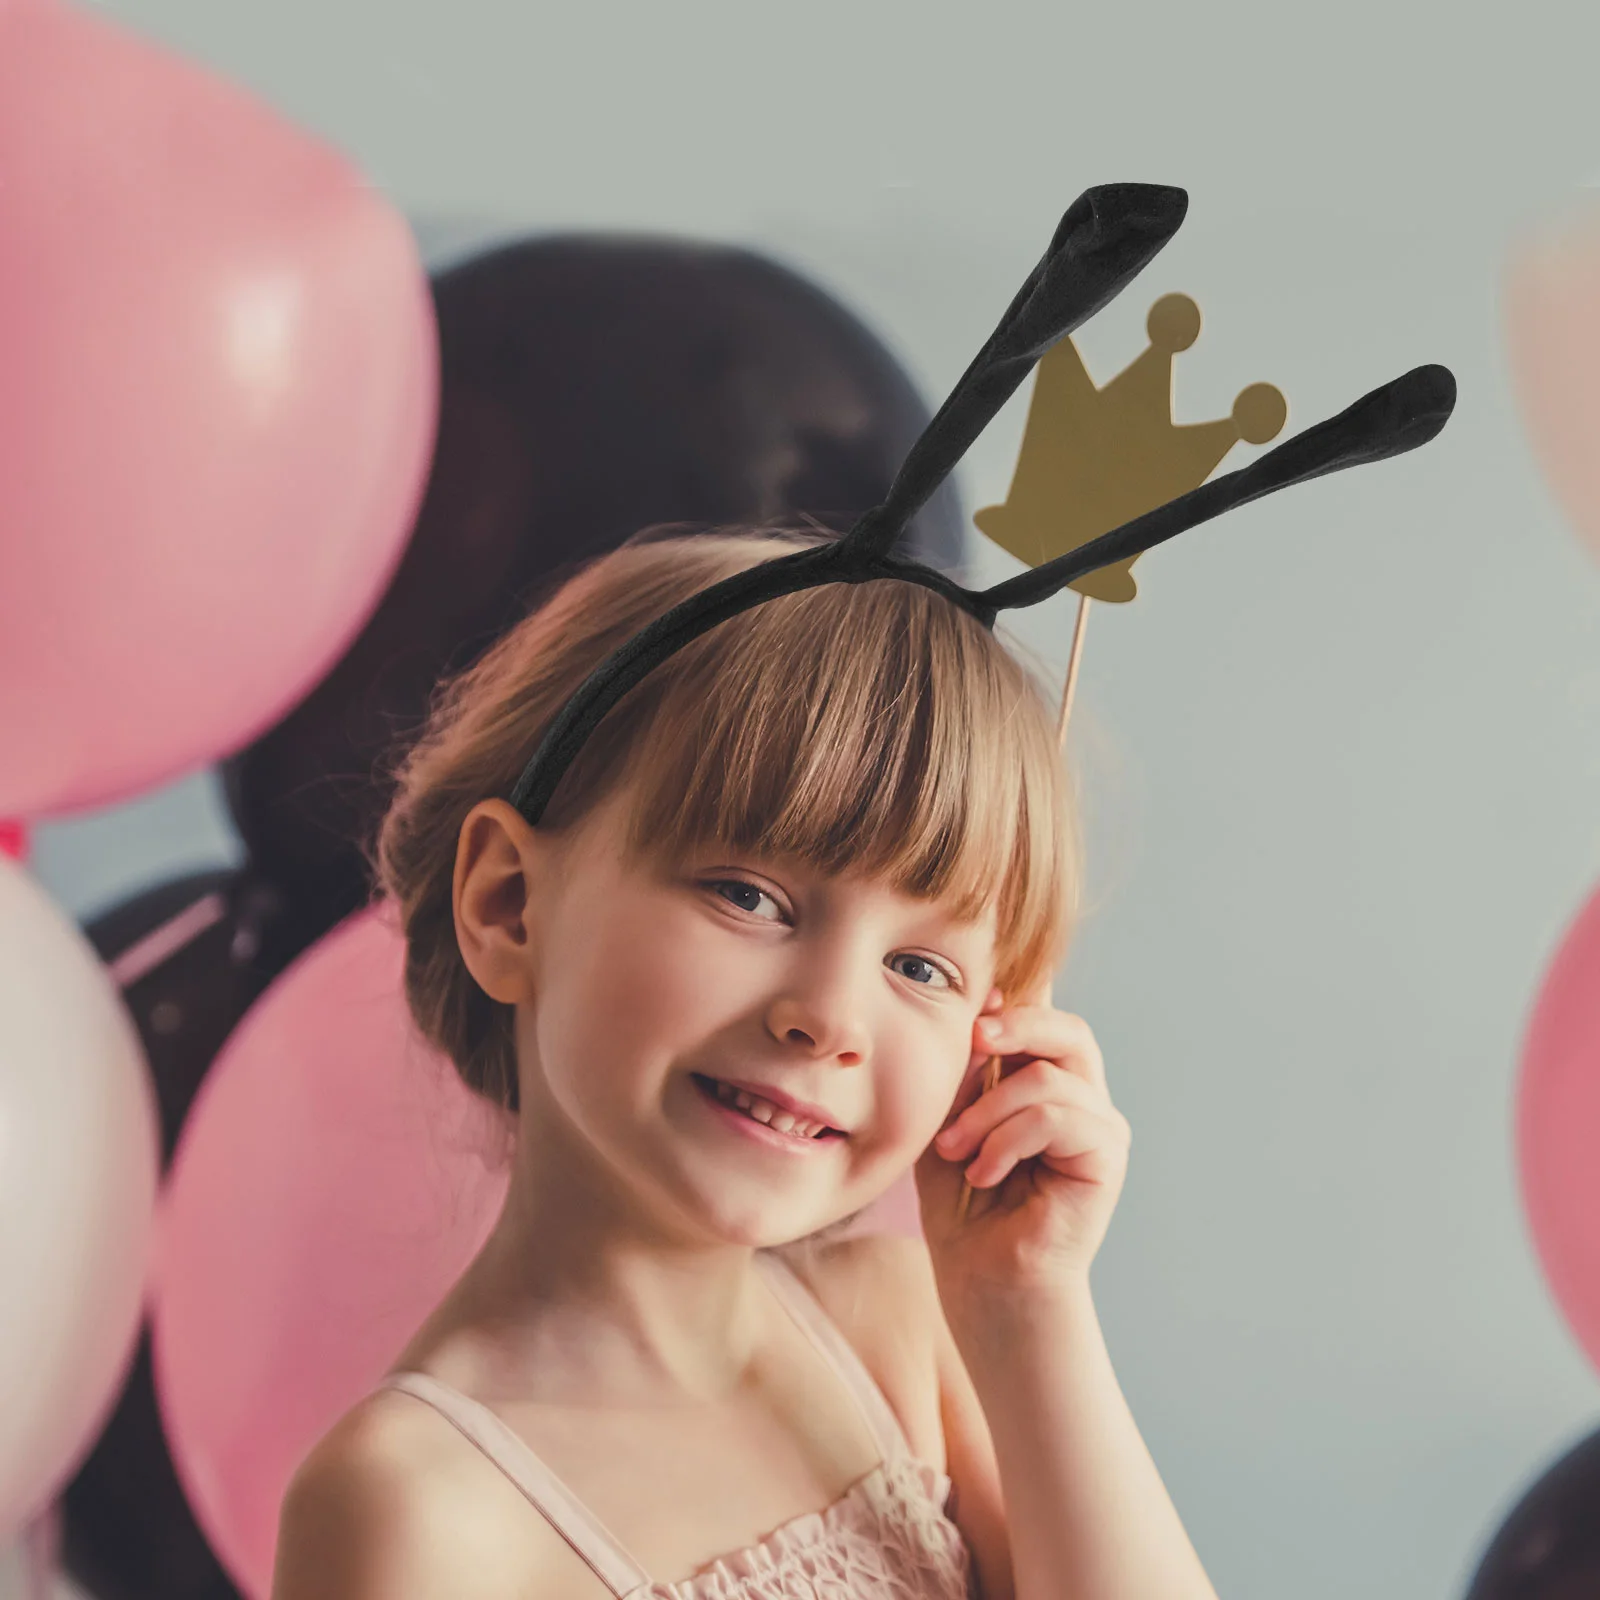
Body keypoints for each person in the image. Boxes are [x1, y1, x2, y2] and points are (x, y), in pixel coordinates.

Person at [270, 524, 1219, 1600]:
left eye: (918, 964)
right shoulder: (414, 1508)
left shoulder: (901, 1333)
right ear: (509, 902)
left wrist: (1028, 1306)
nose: (828, 1017)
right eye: (747, 895)